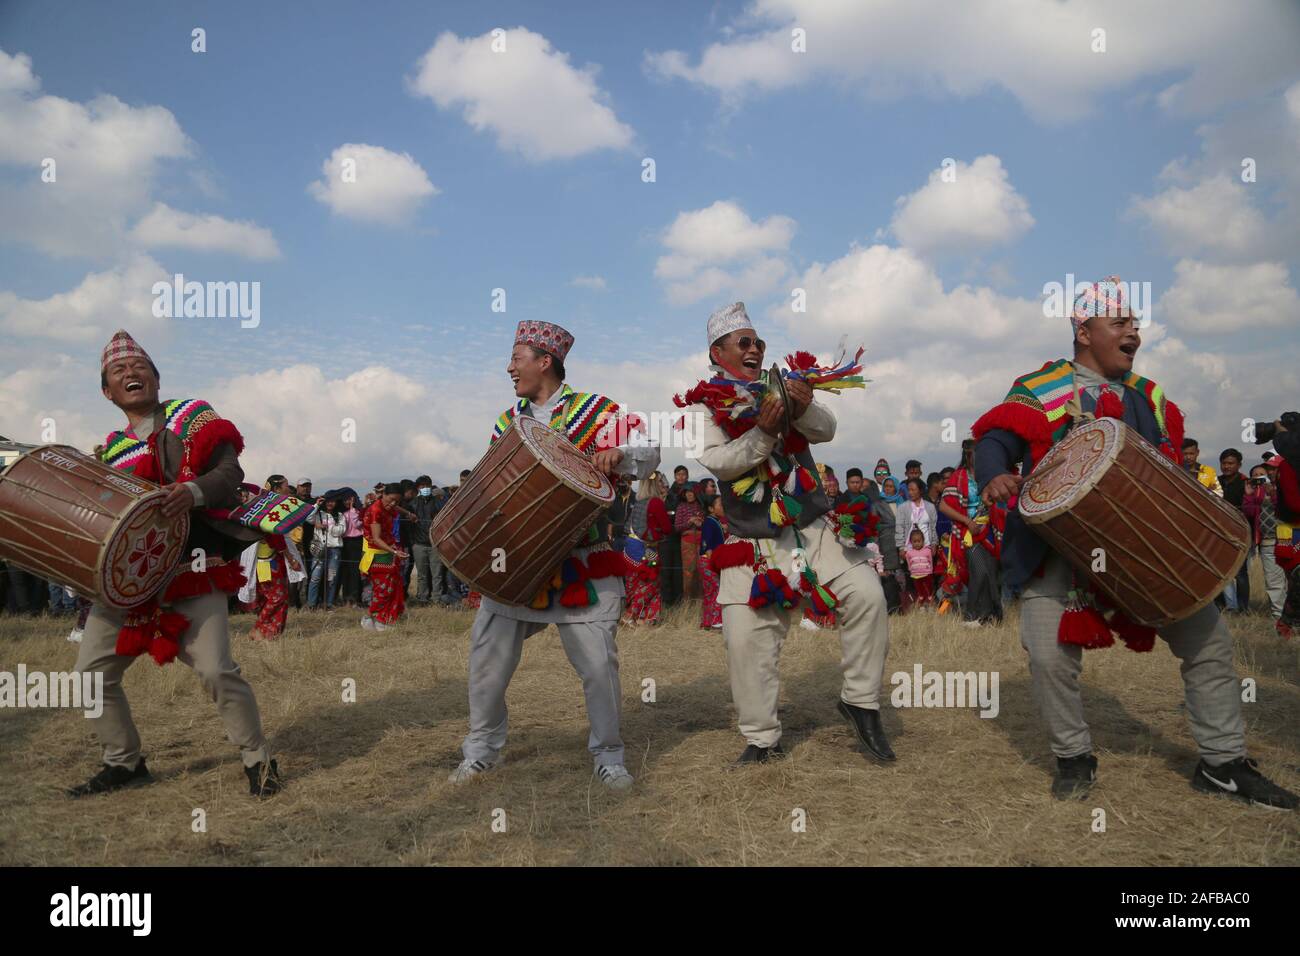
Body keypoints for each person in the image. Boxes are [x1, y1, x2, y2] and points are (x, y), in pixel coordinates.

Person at [972, 275, 1295, 808]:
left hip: (1143, 550)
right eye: (1120, 323)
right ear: (1083, 331)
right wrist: (992, 475)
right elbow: (994, 440)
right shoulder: (1041, 388)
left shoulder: (1148, 397)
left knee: (1209, 642)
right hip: (1056, 549)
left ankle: (1222, 764)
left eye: (1135, 324)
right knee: (1049, 656)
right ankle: (1073, 756)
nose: (1134, 333)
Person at [70, 330, 281, 798]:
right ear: (106, 392)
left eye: (139, 366)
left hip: (192, 568)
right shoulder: (110, 452)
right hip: (129, 582)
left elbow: (230, 476)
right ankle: (124, 763)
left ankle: (258, 760)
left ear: (157, 378)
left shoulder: (192, 417)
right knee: (89, 675)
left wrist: (192, 492)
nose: (131, 373)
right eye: (119, 372)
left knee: (215, 669)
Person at [450, 320, 659, 791]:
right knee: (487, 659)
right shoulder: (508, 423)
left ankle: (609, 755)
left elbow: (651, 452)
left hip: (583, 560)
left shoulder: (597, 410)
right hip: (520, 561)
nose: (509, 368)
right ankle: (481, 751)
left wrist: (619, 456)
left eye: (516, 358)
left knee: (599, 665)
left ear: (545, 361)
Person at [684, 302, 893, 765]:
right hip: (751, 541)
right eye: (744, 341)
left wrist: (799, 407)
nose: (755, 348)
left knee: (867, 596)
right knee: (746, 643)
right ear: (718, 352)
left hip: (813, 527)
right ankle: (762, 738)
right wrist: (762, 432)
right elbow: (719, 461)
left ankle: (860, 702)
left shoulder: (779, 386)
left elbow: (827, 429)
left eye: (758, 341)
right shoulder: (702, 405)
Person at [939, 439, 1003, 627]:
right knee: (979, 571)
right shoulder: (959, 476)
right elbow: (943, 505)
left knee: (991, 572)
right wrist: (967, 521)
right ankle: (973, 615)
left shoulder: (989, 475)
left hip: (989, 530)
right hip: (967, 532)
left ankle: (991, 616)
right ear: (968, 455)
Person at [622, 472, 671, 626]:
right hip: (646, 547)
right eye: (660, 482)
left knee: (636, 581)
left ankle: (648, 618)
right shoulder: (656, 502)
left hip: (630, 546)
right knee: (652, 580)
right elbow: (667, 528)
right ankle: (631, 615)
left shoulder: (639, 501)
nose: (663, 485)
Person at [360, 483, 408, 631]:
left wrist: (408, 514)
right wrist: (395, 552)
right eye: (391, 499)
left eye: (397, 501)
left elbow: (395, 508)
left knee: (393, 587)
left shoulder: (388, 506)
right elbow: (376, 538)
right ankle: (369, 617)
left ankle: (384, 619)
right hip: (376, 554)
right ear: (384, 495)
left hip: (388, 551)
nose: (393, 504)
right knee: (383, 590)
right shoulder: (375, 511)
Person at [1242, 466, 1286, 621]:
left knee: (1289, 580)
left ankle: (1288, 615)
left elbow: (1282, 508)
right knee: (1273, 581)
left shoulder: (1282, 488)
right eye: (1255, 475)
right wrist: (1248, 495)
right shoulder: (1255, 493)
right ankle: (1278, 617)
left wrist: (1272, 493)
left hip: (1286, 539)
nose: (1259, 477)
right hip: (1267, 541)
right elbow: (1249, 512)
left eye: (1262, 474)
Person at [1217, 449, 1250, 613]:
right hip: (1220, 532)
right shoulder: (1216, 481)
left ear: (1239, 465)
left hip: (1240, 532)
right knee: (1222, 570)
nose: (1227, 466)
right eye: (1224, 463)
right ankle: (1226, 606)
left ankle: (1244, 608)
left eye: (1231, 463)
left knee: (1241, 573)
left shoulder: (1246, 482)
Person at [409, 475, 450, 606]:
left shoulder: (438, 502)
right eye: (422, 486)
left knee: (437, 573)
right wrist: (413, 542)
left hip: (435, 544)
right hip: (419, 544)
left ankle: (436, 599)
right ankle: (422, 598)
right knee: (422, 574)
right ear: (418, 488)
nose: (425, 488)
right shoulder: (413, 504)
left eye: (427, 486)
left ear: (431, 486)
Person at [308, 496, 345, 609]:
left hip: (334, 550)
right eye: (327, 501)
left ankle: (328, 603)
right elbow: (308, 518)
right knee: (315, 577)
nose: (330, 503)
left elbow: (341, 531)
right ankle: (311, 604)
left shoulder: (340, 515)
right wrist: (317, 505)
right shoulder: (319, 513)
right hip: (319, 549)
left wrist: (328, 526)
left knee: (331, 578)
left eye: (333, 501)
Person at [660, 465, 690, 607]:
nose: (681, 477)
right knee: (667, 570)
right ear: (674, 476)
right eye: (678, 474)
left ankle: (680, 602)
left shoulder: (691, 492)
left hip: (684, 536)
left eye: (684, 474)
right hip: (668, 536)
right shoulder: (671, 493)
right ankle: (667, 602)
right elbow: (668, 514)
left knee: (680, 570)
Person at [698, 494, 727, 629]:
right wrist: (714, 563)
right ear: (711, 508)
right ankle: (716, 621)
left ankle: (707, 621)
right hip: (709, 561)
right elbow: (708, 546)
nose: (723, 507)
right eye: (720, 505)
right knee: (716, 589)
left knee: (710, 591)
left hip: (710, 561)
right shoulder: (709, 523)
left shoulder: (715, 521)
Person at [674, 483, 705, 600]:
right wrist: (690, 522)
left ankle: (702, 600)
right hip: (687, 542)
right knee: (689, 572)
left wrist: (701, 524)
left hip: (702, 542)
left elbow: (707, 525)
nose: (689, 494)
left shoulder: (701, 506)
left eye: (691, 492)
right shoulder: (681, 507)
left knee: (702, 570)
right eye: (687, 492)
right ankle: (688, 601)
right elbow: (677, 527)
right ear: (684, 494)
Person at [339, 493, 364, 606]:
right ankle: (346, 597)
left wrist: (352, 509)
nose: (346, 502)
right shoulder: (342, 514)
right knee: (346, 571)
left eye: (349, 500)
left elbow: (357, 524)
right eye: (345, 500)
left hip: (356, 541)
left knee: (355, 570)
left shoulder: (358, 512)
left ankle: (355, 596)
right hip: (345, 542)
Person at [902, 528, 936, 608]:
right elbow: (909, 562)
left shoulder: (927, 551)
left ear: (923, 541)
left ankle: (930, 598)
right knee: (919, 587)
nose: (917, 543)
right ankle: (921, 598)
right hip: (916, 575)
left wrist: (930, 570)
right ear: (911, 542)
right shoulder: (909, 553)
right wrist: (911, 570)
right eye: (914, 542)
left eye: (919, 541)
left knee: (928, 587)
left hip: (927, 573)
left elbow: (930, 561)